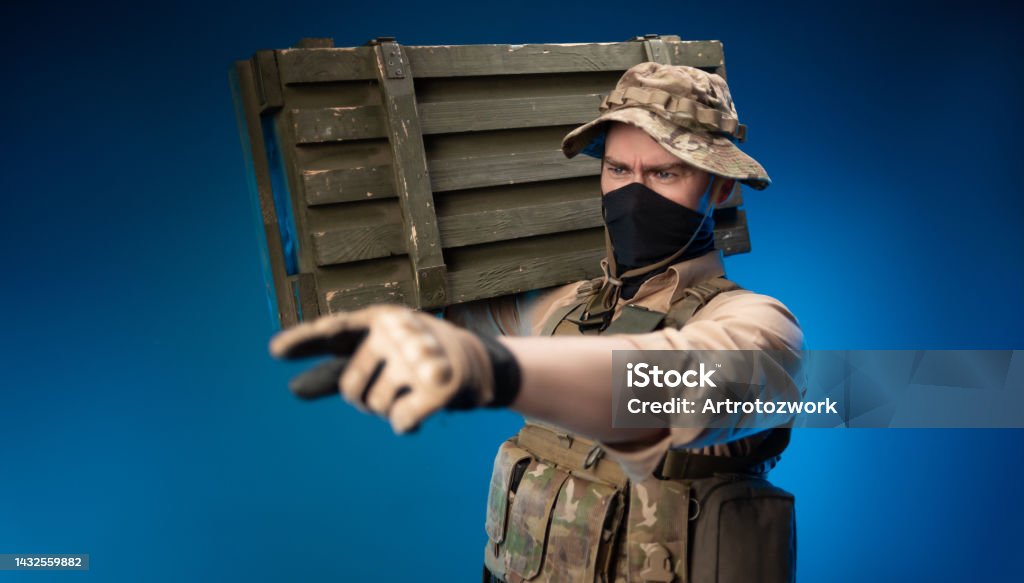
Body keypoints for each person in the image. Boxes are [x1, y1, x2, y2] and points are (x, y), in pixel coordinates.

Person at [270, 62, 804, 582]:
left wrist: (493, 369)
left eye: (665, 172)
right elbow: (430, 318)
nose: (633, 192)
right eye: (618, 169)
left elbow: (682, 386)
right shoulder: (565, 306)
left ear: (720, 188)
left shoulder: (760, 326)